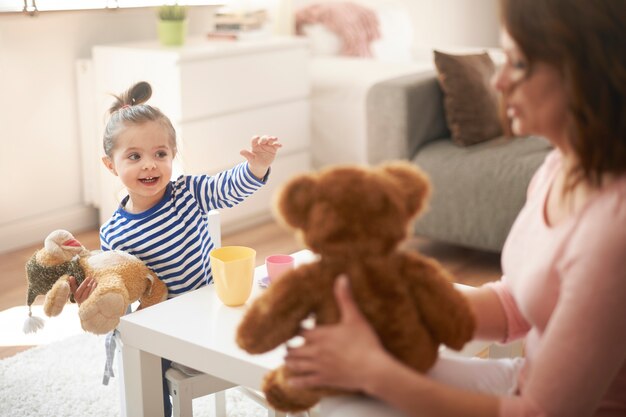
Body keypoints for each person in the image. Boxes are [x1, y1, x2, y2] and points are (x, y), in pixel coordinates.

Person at [284, 0, 626, 416]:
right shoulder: (560, 165)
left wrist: (375, 371)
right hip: (523, 383)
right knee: (336, 389)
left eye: (518, 64)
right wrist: (391, 289)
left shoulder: (613, 232)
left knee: (358, 393)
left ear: (585, 73)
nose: (498, 81)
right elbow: (515, 306)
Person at [70, 80, 281, 416]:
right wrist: (91, 296)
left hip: (213, 310)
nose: (150, 164)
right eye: (134, 156)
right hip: (166, 326)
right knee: (145, 366)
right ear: (111, 165)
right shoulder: (114, 232)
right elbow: (117, 288)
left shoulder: (189, 192)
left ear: (172, 155)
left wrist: (257, 165)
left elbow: (228, 188)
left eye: (160, 154)